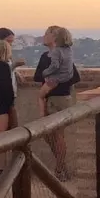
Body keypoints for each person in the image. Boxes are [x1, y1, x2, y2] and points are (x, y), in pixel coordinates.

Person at [34, 25, 80, 180]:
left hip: (56, 99)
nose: (43, 36)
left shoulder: (53, 56)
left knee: (58, 136)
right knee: (50, 136)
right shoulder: (55, 55)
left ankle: (60, 171)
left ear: (54, 37)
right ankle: (62, 168)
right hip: (53, 99)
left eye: (46, 33)